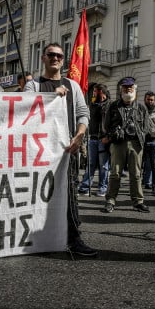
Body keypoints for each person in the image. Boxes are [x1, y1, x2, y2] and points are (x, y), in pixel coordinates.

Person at [24, 43, 97, 257]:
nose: (55, 58)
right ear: (43, 58)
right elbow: (25, 109)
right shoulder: (33, 86)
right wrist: (50, 98)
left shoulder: (72, 86)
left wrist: (80, 135)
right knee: (37, 193)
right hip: (39, 152)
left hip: (67, 150)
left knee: (70, 194)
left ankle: (74, 238)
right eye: (51, 55)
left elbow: (83, 113)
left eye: (59, 56)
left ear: (63, 60)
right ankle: (33, 237)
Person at [101, 76, 150, 213]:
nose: (128, 89)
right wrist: (114, 133)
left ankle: (138, 202)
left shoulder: (141, 108)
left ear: (135, 89)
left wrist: (139, 133)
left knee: (136, 175)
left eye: (130, 87)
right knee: (115, 173)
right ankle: (110, 201)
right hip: (118, 144)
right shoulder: (113, 106)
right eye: (125, 87)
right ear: (121, 89)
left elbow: (146, 127)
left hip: (136, 143)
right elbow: (106, 125)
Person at [77, 83, 111, 197]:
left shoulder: (109, 105)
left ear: (103, 92)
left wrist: (109, 137)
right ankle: (85, 186)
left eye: (96, 91)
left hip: (103, 139)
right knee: (90, 164)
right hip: (92, 138)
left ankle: (102, 187)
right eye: (94, 91)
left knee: (103, 166)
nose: (94, 93)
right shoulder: (93, 104)